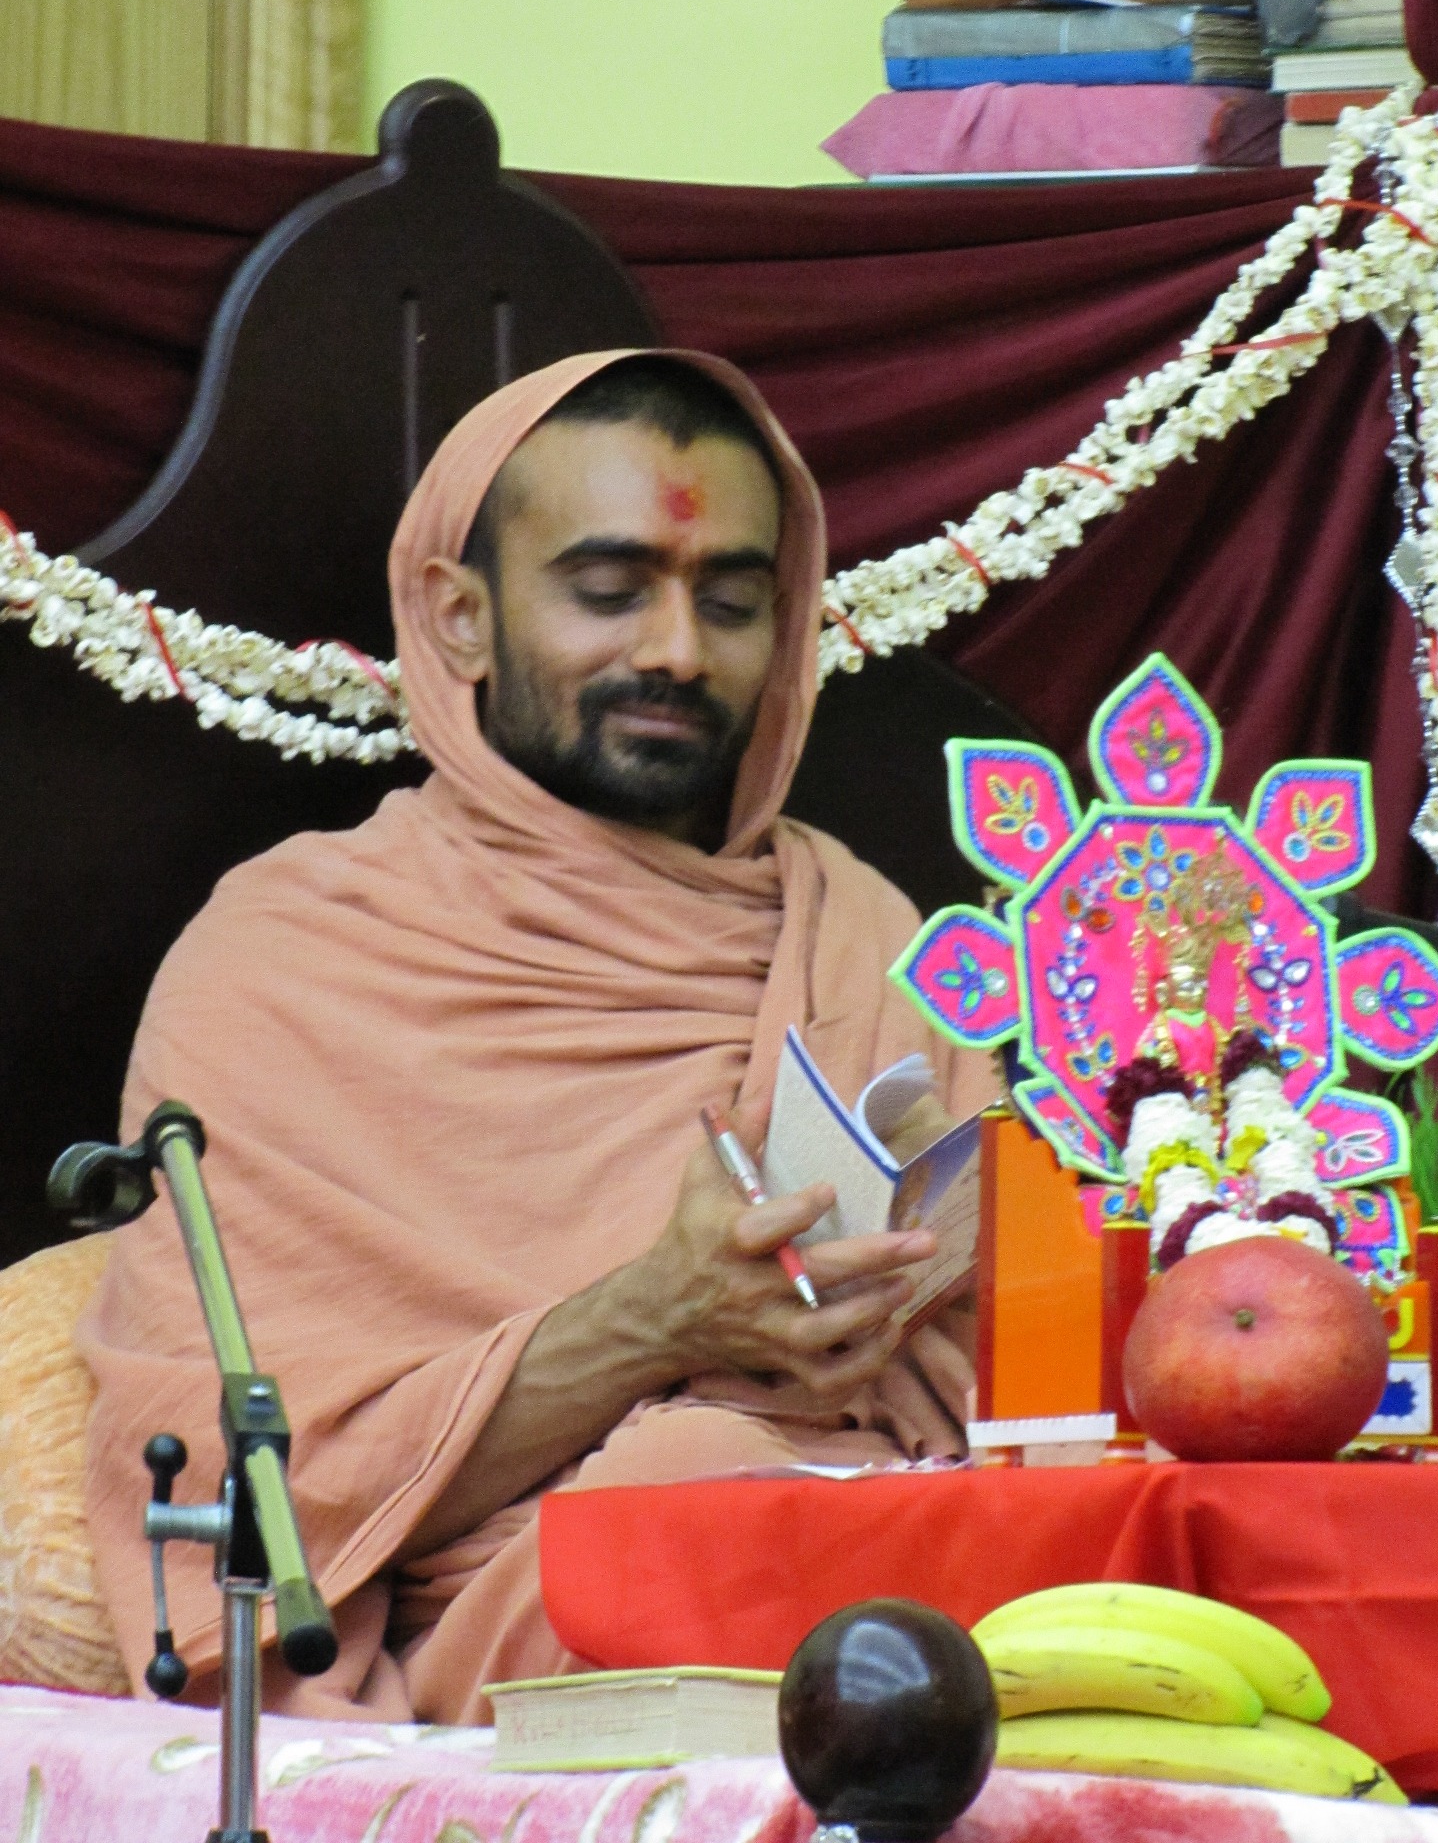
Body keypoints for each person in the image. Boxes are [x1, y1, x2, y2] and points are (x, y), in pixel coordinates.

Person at [79, 348, 997, 1724]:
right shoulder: (284, 962)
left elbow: (993, 1376)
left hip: (906, 1553)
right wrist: (650, 1326)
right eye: (609, 592)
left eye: (733, 600)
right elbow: (243, 1493)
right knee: (676, 1493)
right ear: (459, 616)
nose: (679, 652)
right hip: (549, 1610)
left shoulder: (858, 926)